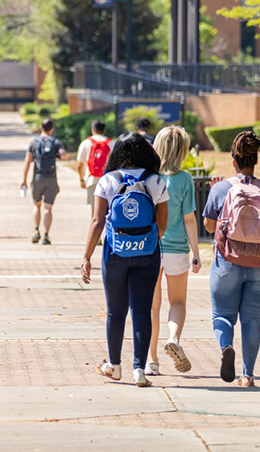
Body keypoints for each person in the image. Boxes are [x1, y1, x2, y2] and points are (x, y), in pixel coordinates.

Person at [80, 133, 169, 387]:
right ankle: (139, 369)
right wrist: (143, 240)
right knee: (141, 310)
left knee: (115, 312)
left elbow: (97, 221)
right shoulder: (155, 181)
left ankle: (115, 365)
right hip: (147, 252)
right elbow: (162, 225)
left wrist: (86, 258)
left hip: (114, 253)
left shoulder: (107, 181)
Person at [201, 131, 260, 387]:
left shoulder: (221, 188)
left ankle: (226, 345)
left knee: (222, 315)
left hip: (227, 260)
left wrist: (215, 194)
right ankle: (247, 375)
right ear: (256, 160)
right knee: (251, 319)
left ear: (233, 161)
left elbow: (207, 226)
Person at [144, 126, 201, 376]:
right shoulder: (185, 179)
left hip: (150, 247)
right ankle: (174, 339)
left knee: (151, 307)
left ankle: (151, 360)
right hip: (177, 248)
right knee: (177, 302)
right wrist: (196, 253)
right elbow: (189, 219)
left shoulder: (148, 178)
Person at [21, 119, 68, 245]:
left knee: (37, 205)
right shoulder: (55, 142)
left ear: (41, 128)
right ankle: (46, 235)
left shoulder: (34, 142)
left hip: (38, 177)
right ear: (52, 129)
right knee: (48, 208)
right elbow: (64, 156)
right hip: (51, 177)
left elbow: (27, 161)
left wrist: (24, 180)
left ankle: (36, 230)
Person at [77, 120, 113, 216]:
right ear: (104, 130)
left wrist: (81, 180)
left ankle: (95, 229)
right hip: (108, 180)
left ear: (92, 129)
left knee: (95, 211)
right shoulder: (111, 143)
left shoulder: (86, 143)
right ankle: (107, 230)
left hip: (91, 179)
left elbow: (80, 164)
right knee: (108, 209)